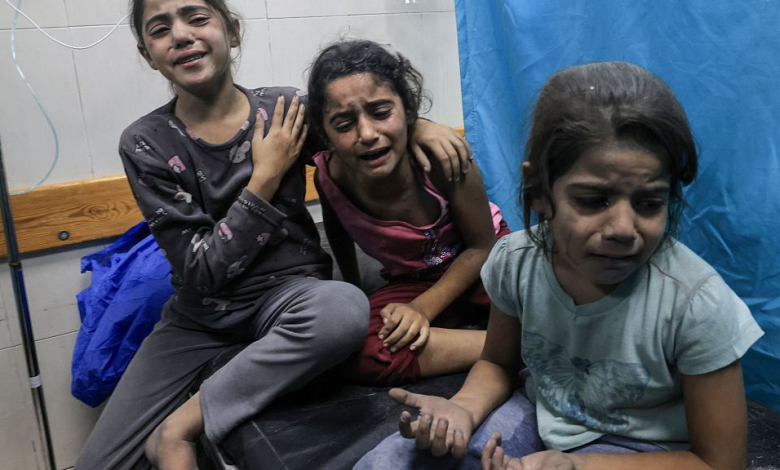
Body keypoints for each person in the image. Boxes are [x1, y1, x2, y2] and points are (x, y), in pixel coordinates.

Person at [74, 1, 472, 469]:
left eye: (197, 17)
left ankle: (180, 427)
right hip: (200, 315)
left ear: (233, 31)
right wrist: (264, 178)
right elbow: (201, 271)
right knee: (98, 463)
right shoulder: (145, 142)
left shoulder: (285, 110)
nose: (181, 34)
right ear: (148, 53)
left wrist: (419, 124)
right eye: (161, 29)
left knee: (343, 309)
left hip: (292, 295)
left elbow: (361, 127)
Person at [356, 61, 765, 470]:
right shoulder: (516, 263)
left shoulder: (696, 304)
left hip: (650, 454)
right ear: (539, 191)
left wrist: (580, 467)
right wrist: (461, 409)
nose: (624, 228)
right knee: (397, 460)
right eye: (593, 200)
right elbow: (498, 363)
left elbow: (719, 462)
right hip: (543, 417)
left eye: (649, 203)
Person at [306, 39, 510, 386]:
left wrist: (422, 310)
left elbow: (483, 247)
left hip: (484, 267)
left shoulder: (442, 161)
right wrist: (356, 292)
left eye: (382, 113)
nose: (367, 134)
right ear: (324, 135)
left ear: (409, 110)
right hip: (415, 281)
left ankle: (512, 336)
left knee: (549, 300)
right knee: (354, 348)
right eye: (343, 124)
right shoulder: (330, 176)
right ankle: (507, 344)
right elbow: (338, 229)